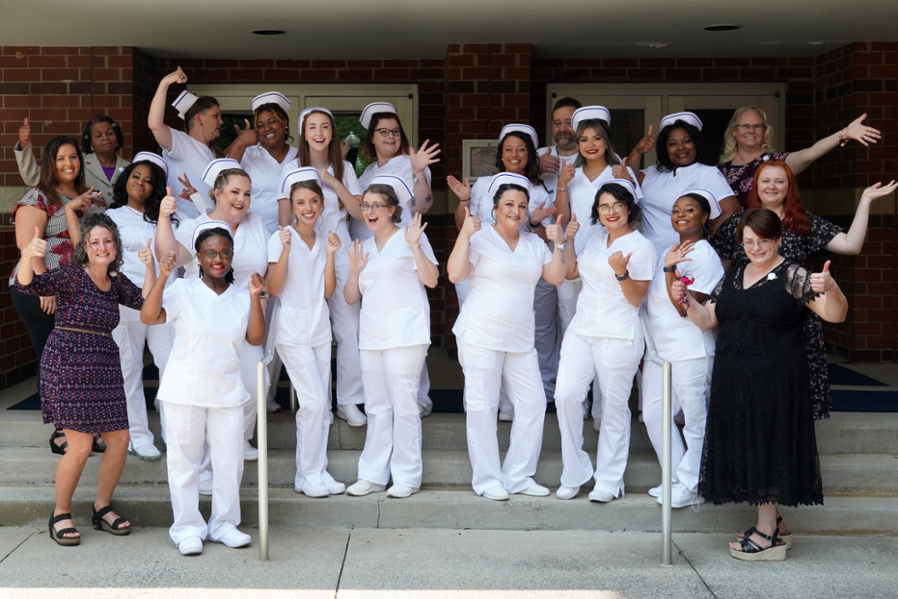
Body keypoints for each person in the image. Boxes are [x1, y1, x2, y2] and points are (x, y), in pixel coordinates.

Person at [673, 208, 848, 561]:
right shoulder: (736, 274)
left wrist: (831, 287)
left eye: (763, 241)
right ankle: (776, 521)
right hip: (735, 376)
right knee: (748, 442)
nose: (756, 248)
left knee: (764, 445)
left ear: (778, 239)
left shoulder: (792, 274)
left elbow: (835, 314)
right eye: (749, 241)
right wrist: (685, 298)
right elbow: (707, 319)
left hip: (775, 378)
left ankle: (767, 534)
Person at [710, 160, 897, 420]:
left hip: (793, 323)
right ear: (755, 185)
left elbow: (851, 245)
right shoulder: (737, 223)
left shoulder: (801, 221)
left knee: (791, 399)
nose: (772, 186)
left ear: (789, 187)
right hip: (748, 323)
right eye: (765, 180)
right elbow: (719, 271)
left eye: (779, 181)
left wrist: (865, 200)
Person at [17, 213, 155, 545]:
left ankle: (102, 506)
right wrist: (27, 256)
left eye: (108, 241)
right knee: (79, 447)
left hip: (104, 366)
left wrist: (151, 268)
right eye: (95, 242)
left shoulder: (117, 282)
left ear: (115, 246)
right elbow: (29, 285)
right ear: (85, 247)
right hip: (67, 362)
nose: (102, 247)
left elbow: (147, 303)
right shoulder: (70, 276)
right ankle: (60, 512)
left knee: (120, 441)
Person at [142, 224, 265, 556]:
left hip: (227, 391)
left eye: (225, 252)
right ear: (198, 256)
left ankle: (224, 524)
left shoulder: (243, 295)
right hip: (184, 390)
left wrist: (255, 299)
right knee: (185, 463)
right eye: (211, 252)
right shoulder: (182, 290)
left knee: (230, 462)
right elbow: (149, 316)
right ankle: (187, 528)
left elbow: (255, 338)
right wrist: (164, 276)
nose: (219, 258)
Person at [448, 173, 567, 501]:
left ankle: (518, 475)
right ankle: (487, 479)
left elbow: (556, 277)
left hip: (519, 339)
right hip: (480, 335)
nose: (516, 210)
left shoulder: (533, 243)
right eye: (509, 205)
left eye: (522, 205)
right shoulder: (480, 237)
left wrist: (559, 243)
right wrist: (464, 235)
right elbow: (455, 273)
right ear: (496, 208)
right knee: (482, 406)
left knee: (533, 403)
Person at [155, 159, 270, 474]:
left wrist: (263, 294)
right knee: (208, 389)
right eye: (235, 191)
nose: (241, 200)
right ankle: (204, 464)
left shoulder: (256, 222)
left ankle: (239, 438)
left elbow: (266, 266)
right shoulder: (195, 225)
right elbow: (170, 256)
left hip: (245, 316)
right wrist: (165, 218)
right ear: (217, 193)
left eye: (247, 194)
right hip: (204, 319)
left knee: (255, 382)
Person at [553, 180, 655, 502]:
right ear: (597, 211)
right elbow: (570, 274)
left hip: (619, 334)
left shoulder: (642, 246)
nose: (611, 212)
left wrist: (621, 273)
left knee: (613, 407)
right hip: (583, 329)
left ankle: (609, 480)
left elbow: (637, 299)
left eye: (617, 205)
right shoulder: (595, 240)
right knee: (565, 395)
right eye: (604, 206)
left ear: (629, 209)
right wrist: (567, 241)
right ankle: (575, 471)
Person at [448, 125, 557, 414]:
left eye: (521, 149)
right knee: (481, 336)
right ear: (500, 154)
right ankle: (488, 400)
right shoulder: (482, 184)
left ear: (530, 155)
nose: (514, 154)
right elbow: (463, 224)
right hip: (477, 263)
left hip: (516, 266)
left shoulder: (538, 189)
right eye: (508, 148)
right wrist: (464, 201)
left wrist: (534, 223)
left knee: (515, 334)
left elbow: (538, 232)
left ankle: (511, 401)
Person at [10, 135, 107, 457]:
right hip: (40, 289)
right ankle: (62, 431)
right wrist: (45, 285)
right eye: (61, 159)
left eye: (74, 158)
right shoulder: (38, 197)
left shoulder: (88, 198)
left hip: (78, 294)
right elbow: (29, 245)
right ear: (51, 163)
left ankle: (82, 427)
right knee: (56, 360)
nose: (69, 164)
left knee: (81, 361)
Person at [343, 176, 439, 498]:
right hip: (372, 335)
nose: (369, 211)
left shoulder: (410, 238)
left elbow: (432, 280)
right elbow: (349, 298)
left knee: (404, 405)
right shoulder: (363, 248)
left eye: (376, 206)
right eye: (365, 205)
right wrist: (355, 271)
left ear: (392, 210)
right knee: (377, 407)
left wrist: (415, 246)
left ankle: (407, 477)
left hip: (406, 333)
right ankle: (372, 474)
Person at [552, 106, 642, 425]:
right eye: (583, 139)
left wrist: (627, 177)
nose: (590, 145)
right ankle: (582, 401)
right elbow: (560, 217)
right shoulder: (570, 174)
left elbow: (633, 212)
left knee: (608, 333)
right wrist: (563, 183)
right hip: (577, 258)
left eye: (597, 138)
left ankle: (604, 409)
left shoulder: (619, 171)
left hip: (611, 260)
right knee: (574, 329)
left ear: (607, 142)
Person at [278, 107, 367, 427]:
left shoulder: (343, 167)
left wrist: (332, 179)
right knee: (311, 327)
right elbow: (283, 219)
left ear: (332, 133)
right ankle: (316, 403)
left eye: (325, 127)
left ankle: (348, 400)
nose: (319, 132)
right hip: (304, 252)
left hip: (339, 248)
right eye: (312, 127)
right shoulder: (290, 168)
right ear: (304, 133)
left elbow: (359, 212)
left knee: (349, 327)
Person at [354, 102, 441, 417]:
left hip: (406, 244)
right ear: (372, 139)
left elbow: (423, 203)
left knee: (408, 331)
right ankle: (389, 398)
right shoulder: (368, 174)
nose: (390, 137)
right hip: (374, 249)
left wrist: (418, 170)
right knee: (385, 328)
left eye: (395, 131)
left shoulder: (409, 162)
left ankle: (418, 398)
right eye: (383, 132)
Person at [642, 189, 724, 508]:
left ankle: (693, 484)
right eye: (676, 210)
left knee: (695, 421)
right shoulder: (674, 249)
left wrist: (667, 270)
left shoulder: (703, 254)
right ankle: (678, 478)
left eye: (689, 209)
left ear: (704, 217)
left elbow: (684, 307)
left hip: (691, 350)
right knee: (653, 414)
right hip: (663, 351)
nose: (680, 214)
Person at [267, 168, 345, 497]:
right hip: (291, 330)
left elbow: (327, 290)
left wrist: (329, 255)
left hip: (318, 327)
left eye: (314, 201)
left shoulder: (324, 238)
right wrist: (285, 250)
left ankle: (316, 471)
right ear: (292, 206)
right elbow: (273, 286)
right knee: (312, 402)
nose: (308, 207)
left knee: (322, 403)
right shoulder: (281, 237)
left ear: (322, 203)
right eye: (301, 202)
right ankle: (307, 473)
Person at [106, 152, 176, 460]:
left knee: (171, 366)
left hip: (163, 300)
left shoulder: (168, 217)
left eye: (148, 181)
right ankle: (138, 435)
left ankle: (174, 433)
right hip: (125, 300)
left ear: (155, 188)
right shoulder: (112, 216)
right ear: (126, 180)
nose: (141, 183)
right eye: (136, 177)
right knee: (129, 368)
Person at [719, 106, 881, 208]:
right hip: (727, 244)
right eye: (745, 126)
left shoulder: (775, 163)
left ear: (764, 131)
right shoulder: (720, 170)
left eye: (757, 126)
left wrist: (844, 134)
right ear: (734, 131)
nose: (751, 131)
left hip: (765, 241)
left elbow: (808, 154)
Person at [628, 112, 739, 257]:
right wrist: (637, 151)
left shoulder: (707, 173)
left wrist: (704, 240)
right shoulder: (651, 173)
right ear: (665, 149)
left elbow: (732, 210)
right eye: (673, 144)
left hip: (685, 259)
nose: (681, 147)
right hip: (648, 258)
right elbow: (627, 178)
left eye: (687, 141)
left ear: (696, 144)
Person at [149, 66, 223, 219]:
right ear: (199, 119)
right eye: (216, 116)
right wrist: (165, 83)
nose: (221, 122)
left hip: (211, 225)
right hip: (185, 226)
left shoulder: (214, 153)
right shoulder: (183, 143)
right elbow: (155, 125)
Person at [226, 92, 299, 236]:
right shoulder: (248, 154)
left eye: (272, 121)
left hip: (292, 238)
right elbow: (222, 178)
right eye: (260, 125)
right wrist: (241, 143)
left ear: (284, 122)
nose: (267, 128)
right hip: (253, 237)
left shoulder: (299, 156)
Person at [15, 116, 130, 202]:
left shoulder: (130, 168)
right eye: (98, 135)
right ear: (90, 142)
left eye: (109, 133)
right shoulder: (76, 163)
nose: (105, 137)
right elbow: (33, 177)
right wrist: (24, 144)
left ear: (117, 136)